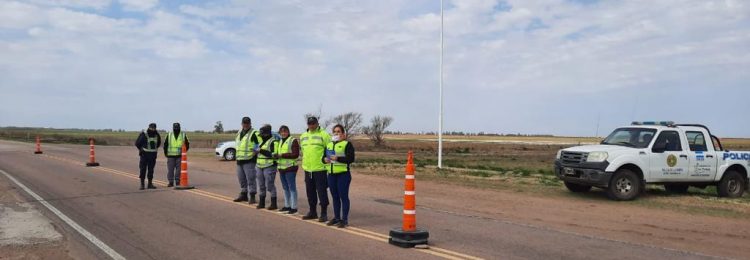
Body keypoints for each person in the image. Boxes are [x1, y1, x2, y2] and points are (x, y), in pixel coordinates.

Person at [300, 116, 331, 222]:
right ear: (307, 124)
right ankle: (312, 212)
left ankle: (324, 213)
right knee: (310, 192)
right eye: (310, 124)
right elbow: (303, 150)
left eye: (313, 123)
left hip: (320, 169)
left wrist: (327, 163)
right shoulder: (303, 136)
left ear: (317, 123)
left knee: (322, 192)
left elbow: (329, 149)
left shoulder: (324, 134)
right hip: (308, 169)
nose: (311, 125)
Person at [324, 124, 356, 228]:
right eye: (335, 132)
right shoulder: (329, 145)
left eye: (338, 132)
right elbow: (323, 157)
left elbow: (351, 159)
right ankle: (336, 218)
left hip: (343, 175)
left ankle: (344, 219)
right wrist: (324, 159)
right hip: (331, 175)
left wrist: (338, 158)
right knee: (335, 197)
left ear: (343, 134)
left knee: (343, 197)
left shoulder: (347, 144)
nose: (336, 133)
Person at [233, 117, 261, 204]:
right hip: (239, 160)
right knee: (241, 179)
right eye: (244, 123)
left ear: (250, 123)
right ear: (242, 123)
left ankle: (252, 195)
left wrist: (256, 152)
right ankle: (244, 194)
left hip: (249, 160)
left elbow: (259, 144)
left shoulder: (254, 133)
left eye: (247, 123)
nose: (245, 124)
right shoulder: (239, 132)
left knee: (251, 179)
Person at [276, 125, 300, 214]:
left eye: (285, 131)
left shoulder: (293, 140)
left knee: (292, 188)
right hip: (282, 168)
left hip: (290, 167)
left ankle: (294, 208)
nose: (283, 133)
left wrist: (282, 155)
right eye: (281, 132)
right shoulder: (280, 141)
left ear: (288, 132)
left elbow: (295, 154)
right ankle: (287, 206)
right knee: (285, 188)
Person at [255, 124, 278, 210]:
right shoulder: (261, 142)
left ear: (267, 134)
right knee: (261, 185)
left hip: (270, 166)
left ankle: (274, 204)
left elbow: (273, 155)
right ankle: (262, 203)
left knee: (270, 185)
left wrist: (261, 150)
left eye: (263, 134)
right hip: (259, 166)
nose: (261, 136)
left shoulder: (274, 142)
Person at [135, 123, 161, 190]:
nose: (153, 129)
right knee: (143, 169)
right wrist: (141, 149)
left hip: (152, 155)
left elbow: (158, 144)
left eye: (154, 128)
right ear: (149, 127)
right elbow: (137, 143)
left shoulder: (157, 135)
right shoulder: (144, 134)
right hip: (144, 155)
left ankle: (150, 184)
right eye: (151, 128)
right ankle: (142, 184)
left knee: (151, 170)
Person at [164, 122, 189, 187]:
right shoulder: (169, 134)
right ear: (173, 128)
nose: (176, 129)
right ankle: (171, 182)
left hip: (180, 156)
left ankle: (177, 181)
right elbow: (165, 144)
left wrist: (184, 153)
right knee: (170, 169)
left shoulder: (183, 134)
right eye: (175, 127)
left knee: (179, 170)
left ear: (179, 128)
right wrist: (166, 153)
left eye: (177, 127)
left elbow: (187, 144)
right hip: (170, 155)